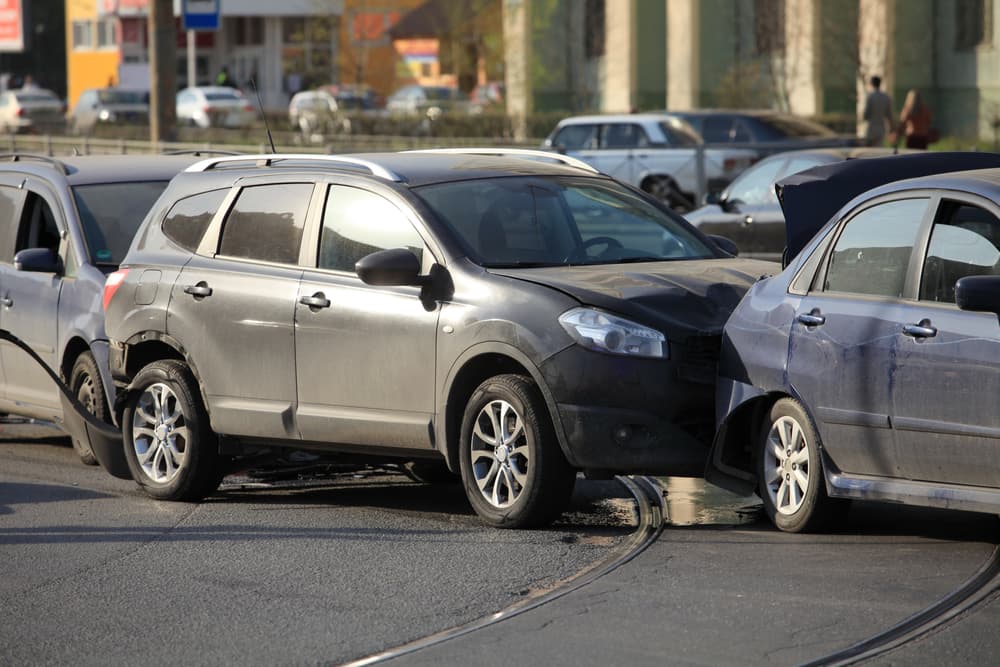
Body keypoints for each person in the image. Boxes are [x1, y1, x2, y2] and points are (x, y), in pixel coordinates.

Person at [862, 75, 894, 146]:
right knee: (878, 149)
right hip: (881, 128)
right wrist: (891, 128)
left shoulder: (870, 97)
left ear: (872, 84)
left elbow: (866, 115)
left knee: (869, 151)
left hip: (871, 128)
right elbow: (889, 115)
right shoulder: (886, 97)